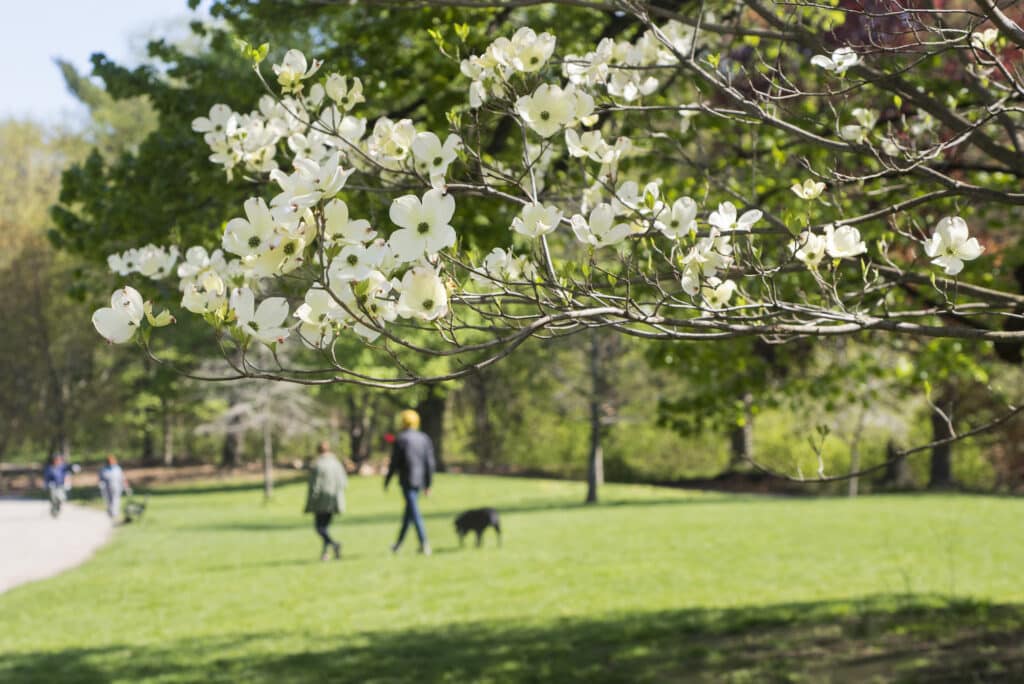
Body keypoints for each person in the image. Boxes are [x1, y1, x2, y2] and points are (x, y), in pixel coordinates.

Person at [385, 409, 436, 555]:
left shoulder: (401, 439)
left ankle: (424, 543)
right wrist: (428, 484)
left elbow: (394, 463)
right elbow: (429, 463)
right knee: (409, 513)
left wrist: (387, 480)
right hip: (419, 480)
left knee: (414, 512)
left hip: (407, 481)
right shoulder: (424, 438)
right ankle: (398, 545)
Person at [304, 441, 348, 561]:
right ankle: (325, 553)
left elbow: (315, 486)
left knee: (319, 528)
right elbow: (344, 482)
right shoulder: (336, 463)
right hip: (334, 500)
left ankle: (334, 544)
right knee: (325, 528)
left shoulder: (318, 465)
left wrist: (311, 501)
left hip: (321, 501)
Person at [43, 454, 79, 518]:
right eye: (57, 460)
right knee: (53, 498)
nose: (58, 461)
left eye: (59, 460)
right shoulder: (50, 468)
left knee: (61, 499)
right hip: (53, 486)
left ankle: (57, 509)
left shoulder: (63, 467)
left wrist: (74, 467)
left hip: (61, 486)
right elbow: (46, 477)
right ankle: (53, 510)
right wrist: (46, 484)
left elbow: (69, 467)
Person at [98, 455, 131, 520]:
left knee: (116, 499)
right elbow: (100, 478)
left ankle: (115, 513)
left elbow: (122, 478)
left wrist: (127, 487)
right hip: (107, 487)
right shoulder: (104, 469)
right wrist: (101, 484)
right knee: (109, 500)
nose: (111, 463)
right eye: (109, 462)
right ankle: (110, 512)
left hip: (117, 486)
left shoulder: (118, 469)